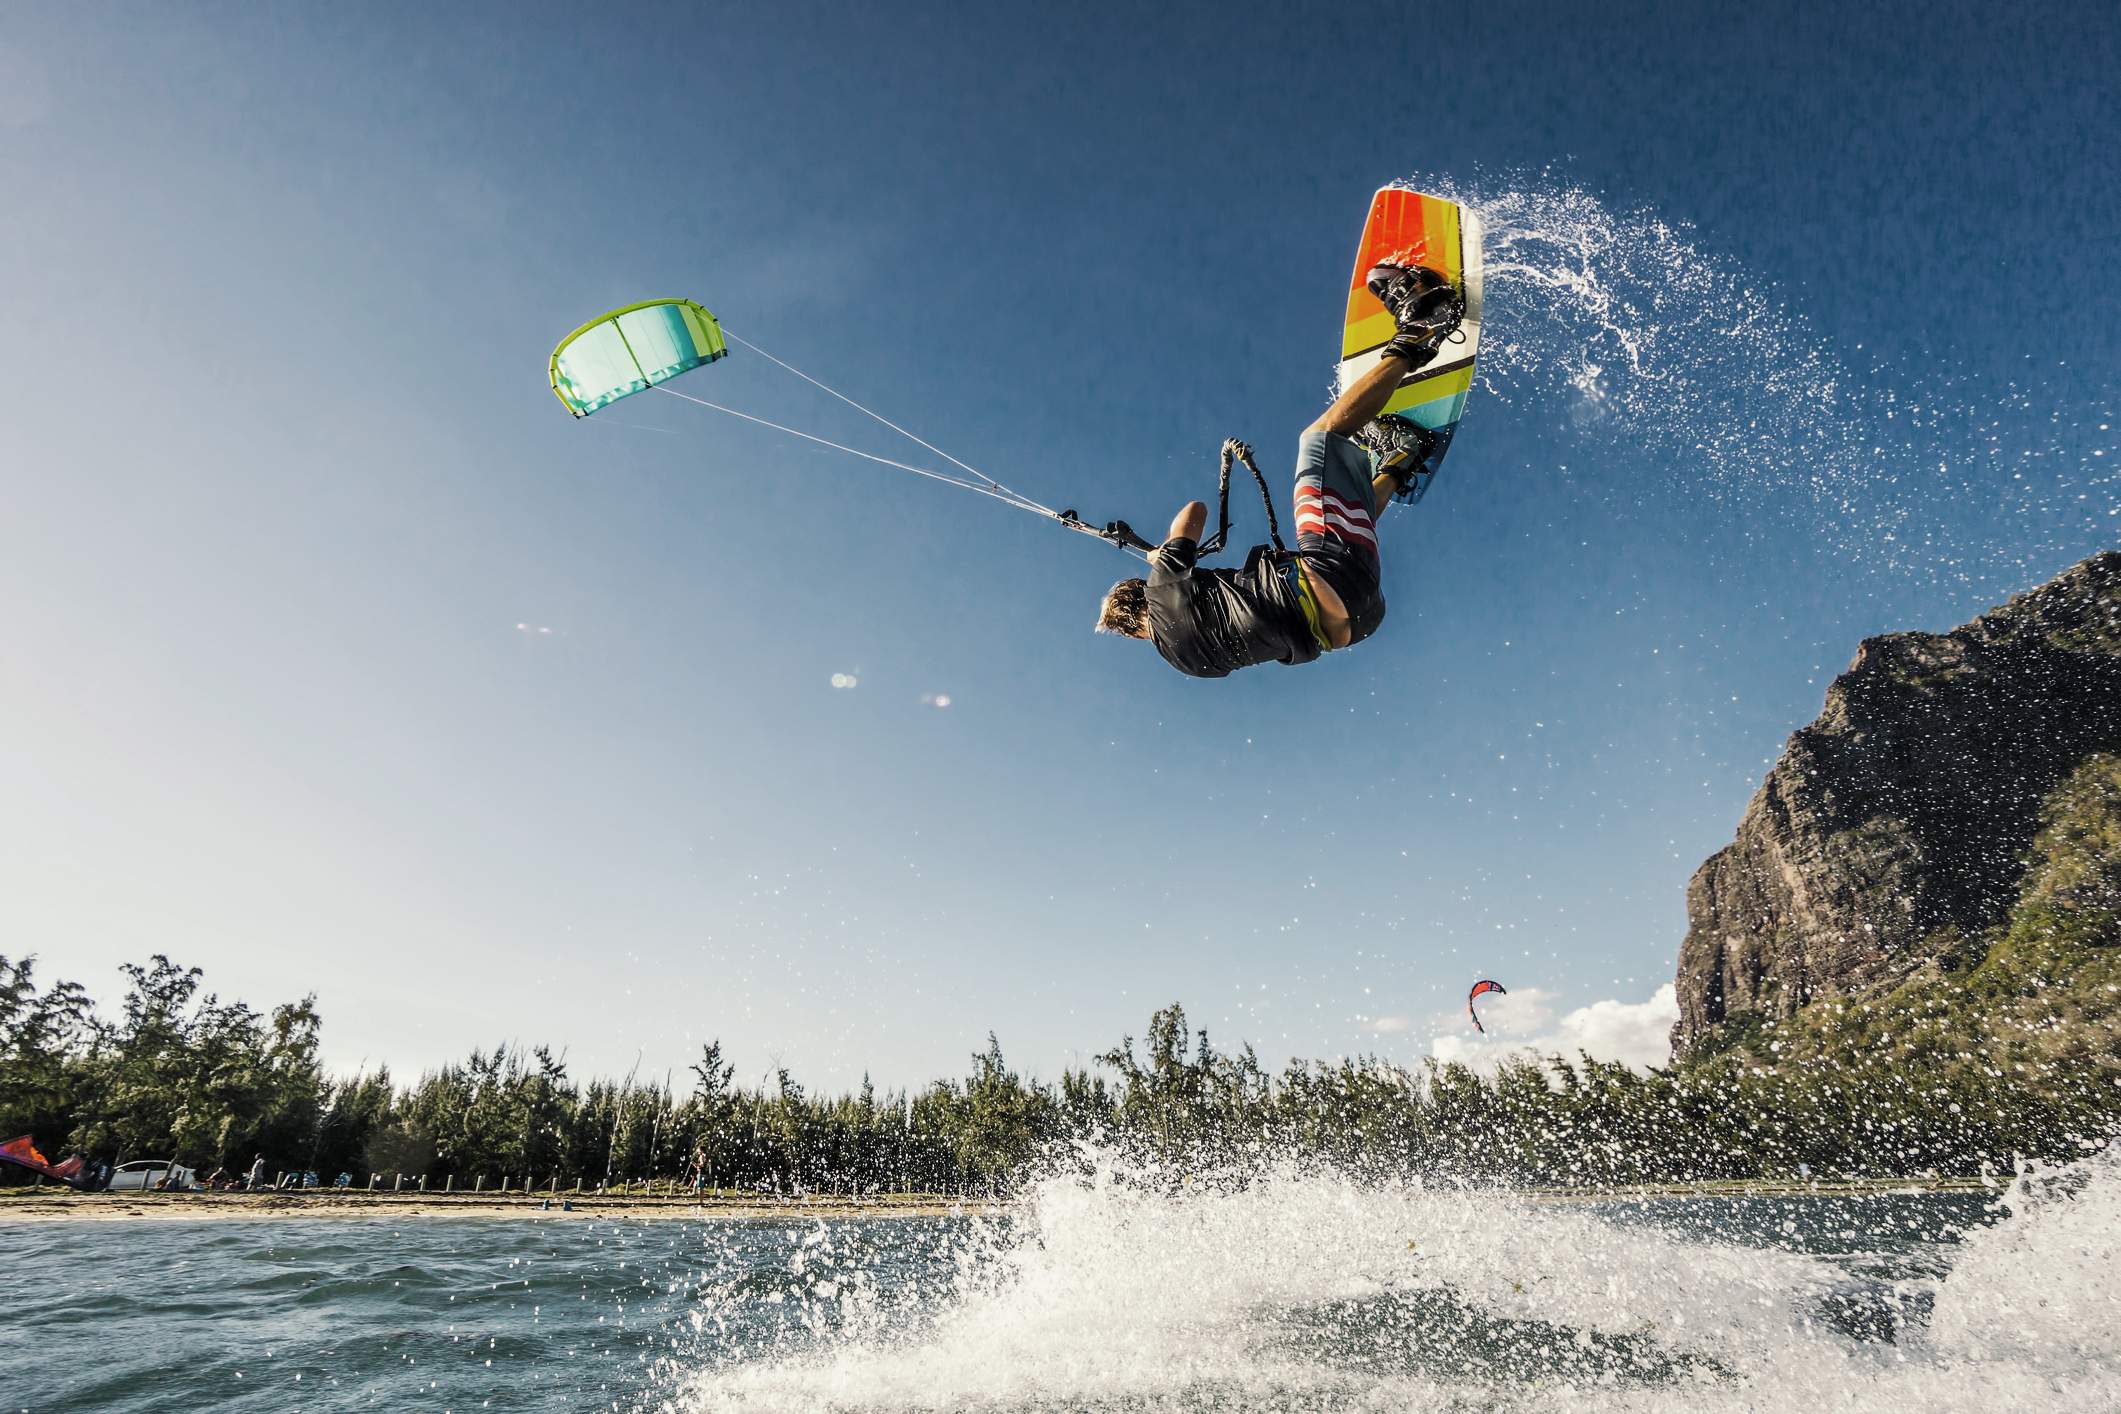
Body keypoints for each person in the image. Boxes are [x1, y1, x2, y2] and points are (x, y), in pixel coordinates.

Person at [1096, 264, 1462, 677]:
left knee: (1333, 524)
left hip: (1357, 622)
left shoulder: (1189, 664)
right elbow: (1194, 513)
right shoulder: (1161, 590)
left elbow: (1235, 621)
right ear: (1139, 596)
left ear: (1134, 634)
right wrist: (1166, 556)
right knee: (1320, 439)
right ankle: (1420, 329)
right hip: (1330, 574)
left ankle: (1401, 460)